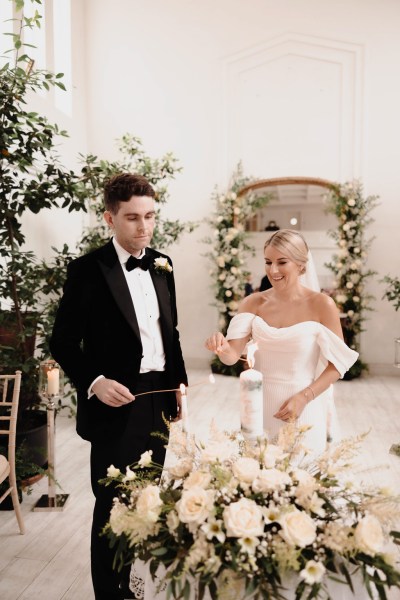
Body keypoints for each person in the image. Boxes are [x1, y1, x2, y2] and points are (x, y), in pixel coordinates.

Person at [50, 173, 187, 600]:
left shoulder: (163, 264)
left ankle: (138, 583)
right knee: (111, 508)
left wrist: (178, 383)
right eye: (131, 218)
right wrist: (95, 381)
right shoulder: (88, 270)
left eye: (149, 216)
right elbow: (63, 341)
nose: (143, 227)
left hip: (158, 402)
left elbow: (171, 331)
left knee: (147, 501)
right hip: (114, 404)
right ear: (109, 218)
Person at [205, 229, 358, 456]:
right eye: (268, 262)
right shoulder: (253, 303)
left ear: (301, 265)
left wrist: (305, 397)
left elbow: (338, 365)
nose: (272, 270)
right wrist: (220, 345)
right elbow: (230, 356)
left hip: (303, 405)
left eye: (282, 262)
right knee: (256, 478)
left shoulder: (322, 305)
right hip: (259, 405)